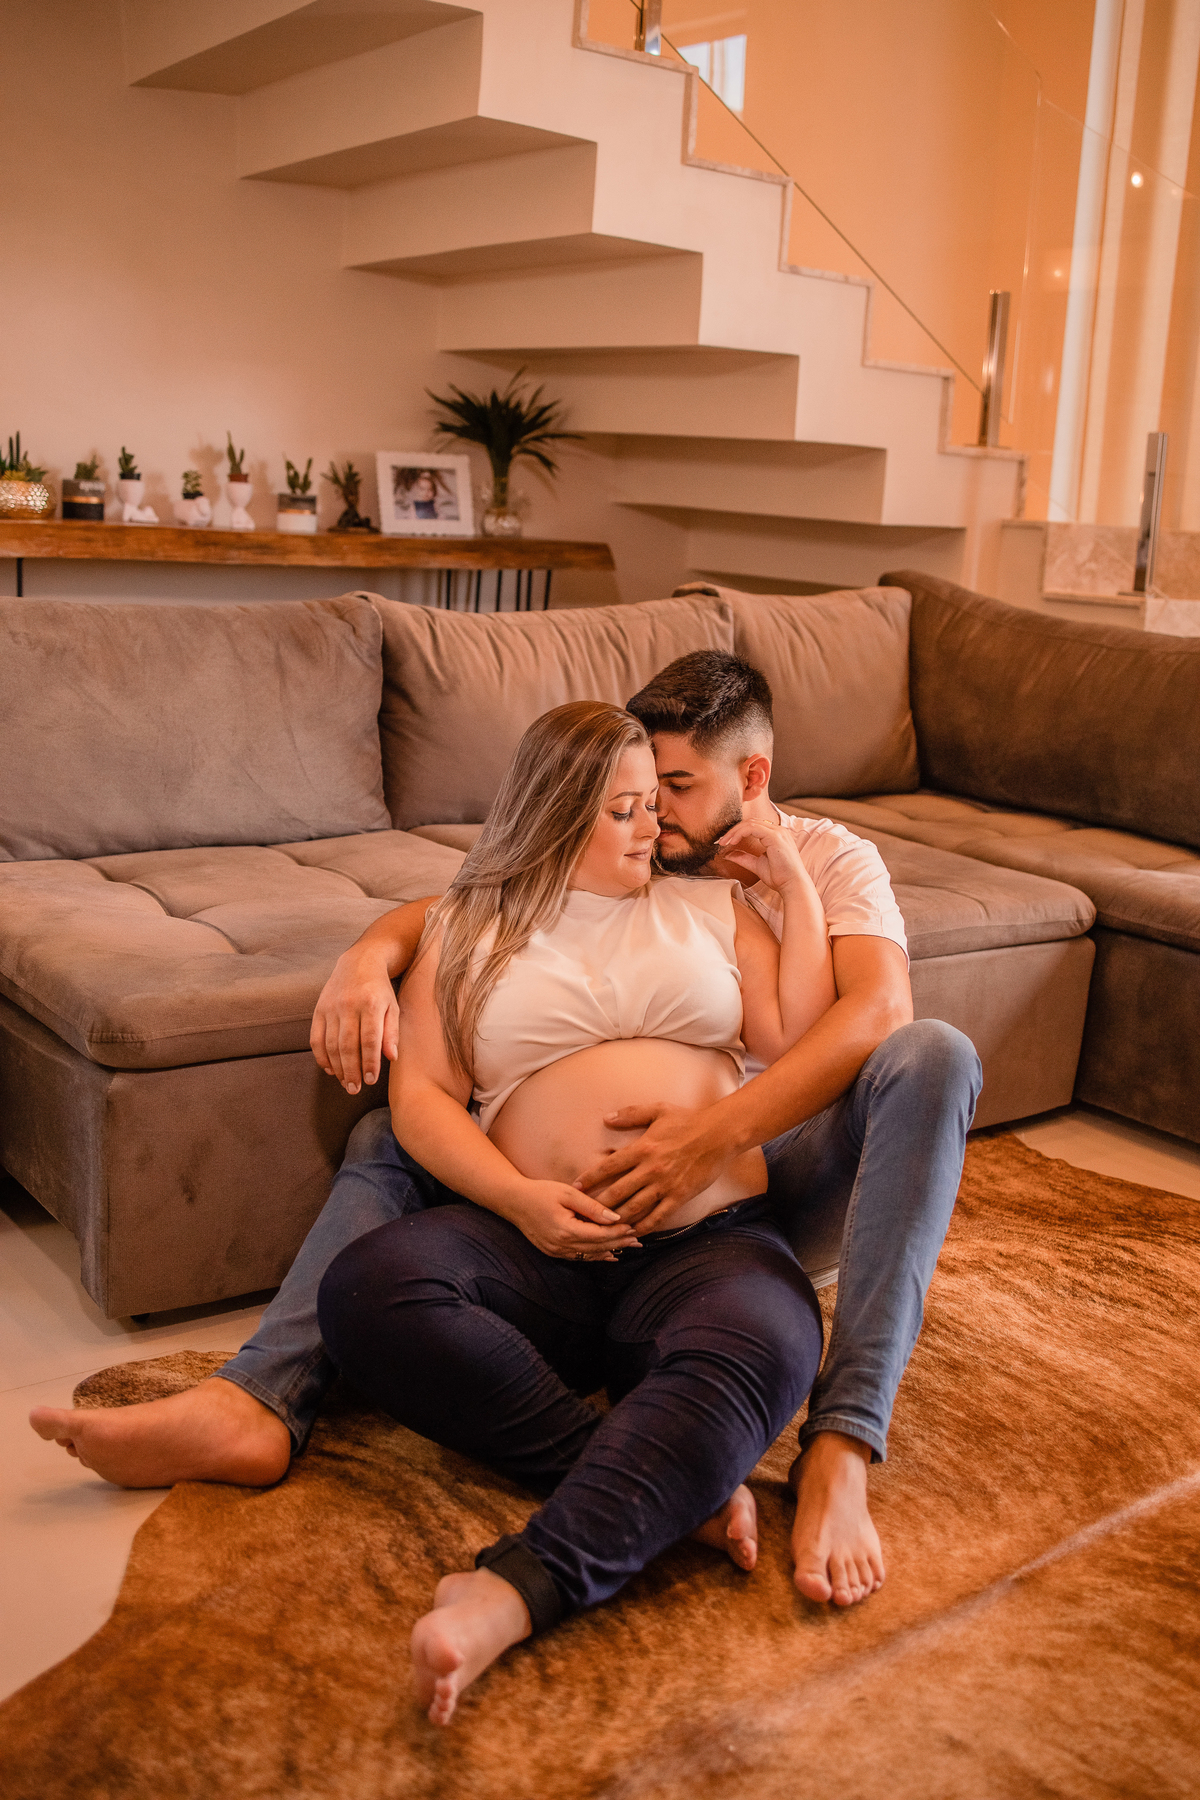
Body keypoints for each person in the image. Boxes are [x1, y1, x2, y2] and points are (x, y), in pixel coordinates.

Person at [30, 652, 981, 1616]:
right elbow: (497, 894)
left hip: (753, 1179)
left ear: (753, 778)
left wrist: (709, 1136)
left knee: (931, 1059)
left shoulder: (813, 865)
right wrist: (370, 952)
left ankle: (842, 1441)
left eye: (673, 791)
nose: (655, 818)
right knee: (386, 1148)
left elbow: (865, 1017)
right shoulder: (597, 874)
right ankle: (261, 1398)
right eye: (633, 797)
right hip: (548, 1230)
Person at [317, 699, 833, 1720]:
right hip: (535, 1250)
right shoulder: (469, 927)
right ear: (556, 812)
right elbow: (422, 1099)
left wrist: (794, 886)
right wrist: (520, 1200)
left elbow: (796, 1034)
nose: (654, 827)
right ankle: (662, 1479)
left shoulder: (709, 907)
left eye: (654, 804)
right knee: (368, 1289)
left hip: (708, 1241)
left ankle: (517, 1589)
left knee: (775, 1344)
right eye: (625, 810)